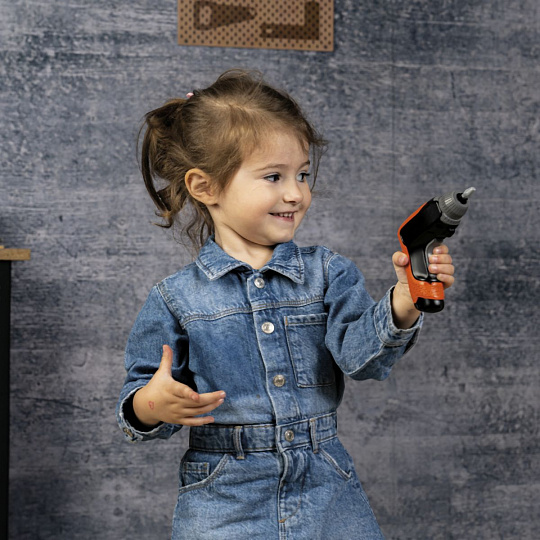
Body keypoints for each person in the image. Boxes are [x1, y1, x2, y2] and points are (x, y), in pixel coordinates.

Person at [116, 69, 455, 539]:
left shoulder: (329, 273)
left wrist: (404, 300)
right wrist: (153, 403)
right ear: (205, 187)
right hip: (224, 496)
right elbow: (139, 401)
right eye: (273, 176)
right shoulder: (175, 298)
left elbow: (361, 361)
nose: (295, 193)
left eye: (302, 174)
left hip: (325, 484)